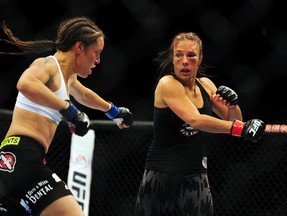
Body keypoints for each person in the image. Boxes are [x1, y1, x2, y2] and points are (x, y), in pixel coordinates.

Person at [0, 16, 133, 216]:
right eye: (96, 53)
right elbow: (25, 84)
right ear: (79, 47)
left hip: (17, 159)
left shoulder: (67, 77)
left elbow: (85, 94)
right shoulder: (47, 65)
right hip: (22, 157)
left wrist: (113, 111)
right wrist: (68, 110)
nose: (98, 61)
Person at [134, 32, 265, 216]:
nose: (185, 61)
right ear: (172, 58)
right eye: (179, 55)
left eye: (191, 55)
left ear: (200, 58)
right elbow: (195, 120)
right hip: (161, 174)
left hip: (196, 175)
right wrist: (241, 128)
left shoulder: (207, 85)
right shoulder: (167, 84)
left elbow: (233, 122)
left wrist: (233, 106)